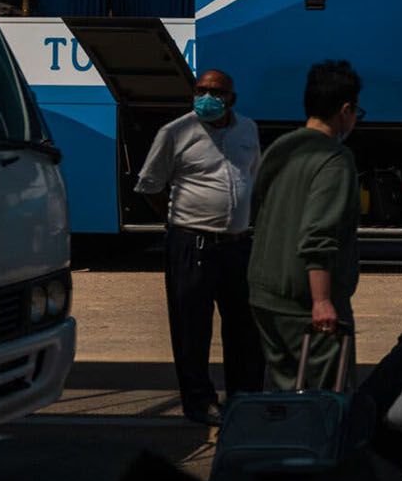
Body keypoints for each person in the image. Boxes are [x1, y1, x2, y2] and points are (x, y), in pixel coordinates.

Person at [134, 68, 263, 425]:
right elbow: (150, 186)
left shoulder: (247, 129)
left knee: (243, 326)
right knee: (192, 327)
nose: (207, 97)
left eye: (216, 92)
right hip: (192, 244)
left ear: (231, 98)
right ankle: (199, 401)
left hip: (236, 246)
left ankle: (244, 396)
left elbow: (253, 175)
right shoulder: (175, 132)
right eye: (200, 90)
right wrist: (181, 221)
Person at [248, 60, 364, 393]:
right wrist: (322, 300)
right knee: (327, 400)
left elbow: (256, 207)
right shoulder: (335, 160)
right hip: (303, 303)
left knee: (284, 398)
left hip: (264, 295)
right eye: (356, 111)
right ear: (345, 110)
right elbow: (319, 233)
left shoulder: (279, 149)